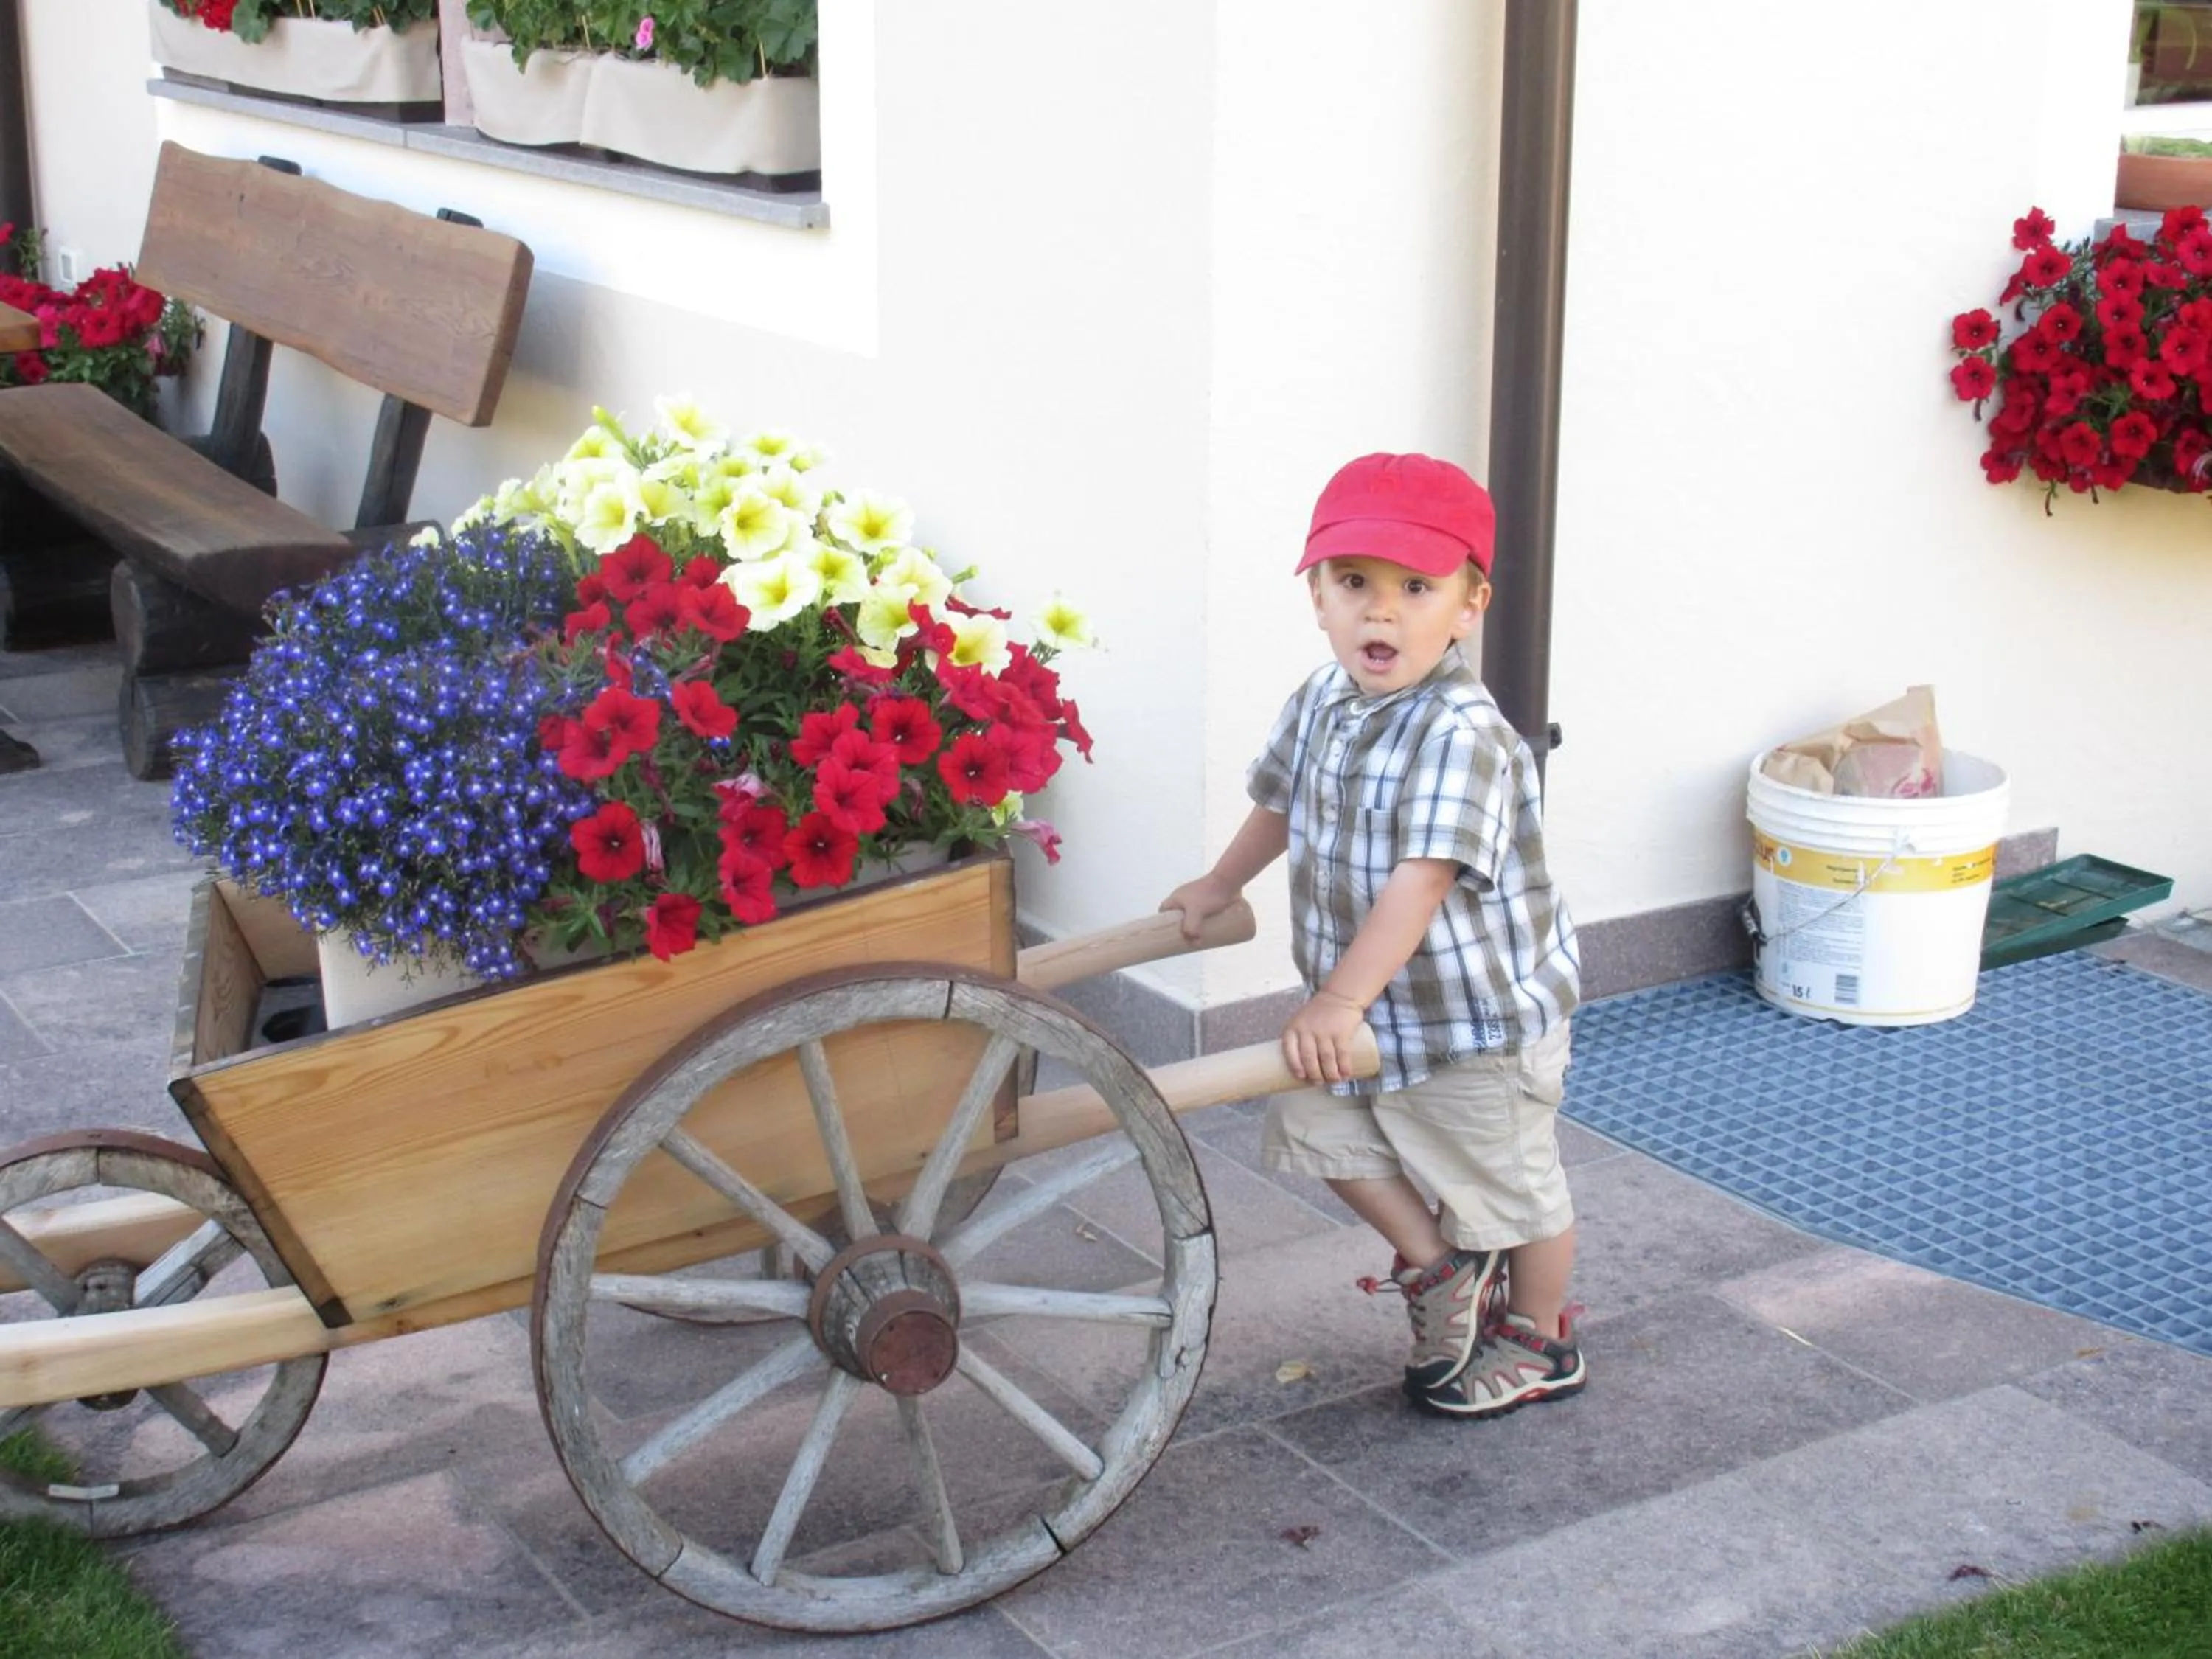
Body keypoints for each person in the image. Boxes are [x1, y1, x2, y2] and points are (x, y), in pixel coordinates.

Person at [1159, 451, 1585, 1419]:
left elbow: (1421, 880)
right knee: (1312, 1127)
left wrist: (1339, 997)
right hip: (1363, 1011)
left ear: (1469, 605)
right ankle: (1441, 1270)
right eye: (1354, 582)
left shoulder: (1461, 733)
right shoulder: (1323, 698)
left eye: (1415, 588)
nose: (1380, 612)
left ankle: (1543, 1335)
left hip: (1473, 1024)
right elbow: (1279, 800)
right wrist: (1221, 883)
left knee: (1510, 1192)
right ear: (1317, 596)